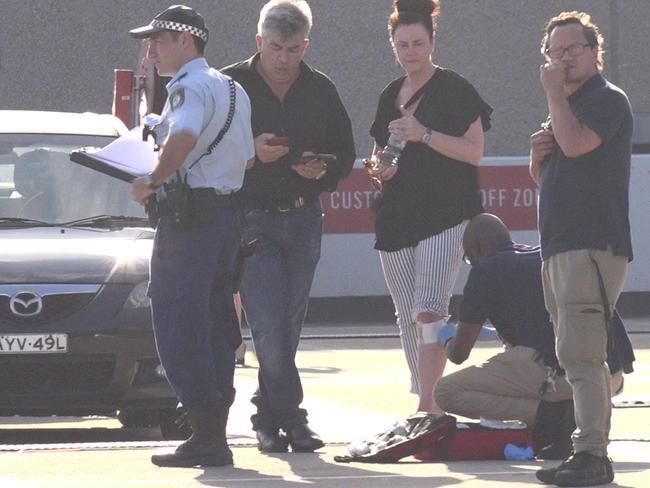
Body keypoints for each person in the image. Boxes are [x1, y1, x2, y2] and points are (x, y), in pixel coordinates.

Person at [222, 0, 355, 453]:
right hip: (251, 217)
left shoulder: (320, 89)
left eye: (294, 49)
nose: (284, 59)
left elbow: (345, 152)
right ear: (259, 42)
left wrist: (325, 169)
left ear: (306, 45)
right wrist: (252, 153)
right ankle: (291, 419)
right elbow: (205, 155)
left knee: (289, 324)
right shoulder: (231, 86)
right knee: (266, 324)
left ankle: (267, 414)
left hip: (303, 216)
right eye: (276, 47)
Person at [129, 5, 255, 467]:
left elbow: (180, 137)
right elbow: (245, 160)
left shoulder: (186, 87)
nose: (151, 49)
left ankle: (205, 434)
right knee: (217, 319)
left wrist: (153, 180)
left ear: (186, 41)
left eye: (157, 39)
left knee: (179, 317)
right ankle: (212, 430)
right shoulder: (235, 88)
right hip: (225, 218)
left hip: (190, 221)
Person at [366, 0, 492, 413]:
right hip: (396, 215)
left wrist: (424, 134)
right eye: (402, 44)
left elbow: (474, 152)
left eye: (418, 43)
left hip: (446, 213)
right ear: (392, 45)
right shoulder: (389, 92)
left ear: (433, 42)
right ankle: (424, 394)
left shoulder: (456, 88)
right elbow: (380, 152)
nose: (410, 52)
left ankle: (428, 404)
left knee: (429, 310)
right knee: (405, 314)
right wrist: (379, 168)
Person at [433, 214, 635, 461]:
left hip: (566, 374)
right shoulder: (546, 257)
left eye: (468, 258)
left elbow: (459, 354)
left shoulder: (485, 270)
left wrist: (445, 338)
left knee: (446, 391)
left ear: (475, 248)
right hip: (609, 376)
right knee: (516, 362)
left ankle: (554, 416)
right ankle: (572, 412)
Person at [529, 11, 633, 486]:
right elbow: (550, 175)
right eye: (556, 51)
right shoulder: (565, 108)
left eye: (573, 49)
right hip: (561, 245)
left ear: (595, 53)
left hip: (590, 245)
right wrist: (536, 157)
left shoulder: (606, 100)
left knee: (585, 354)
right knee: (572, 352)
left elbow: (576, 147)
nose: (564, 59)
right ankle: (583, 450)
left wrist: (554, 95)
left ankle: (593, 455)